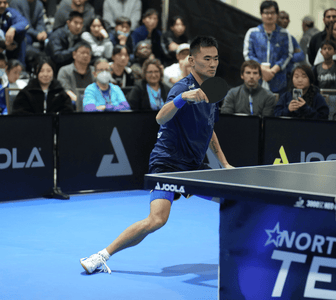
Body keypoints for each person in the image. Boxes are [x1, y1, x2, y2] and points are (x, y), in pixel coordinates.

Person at [79, 36, 233, 274]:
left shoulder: (212, 91)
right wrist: (183, 98)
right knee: (157, 220)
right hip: (168, 163)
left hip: (193, 166)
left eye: (216, 58)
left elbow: (209, 128)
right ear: (192, 60)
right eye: (207, 59)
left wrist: (224, 163)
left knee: (233, 199)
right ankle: (101, 256)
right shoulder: (182, 87)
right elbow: (160, 117)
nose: (213, 64)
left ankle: (241, 256)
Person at [243, 1, 293, 95]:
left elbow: (287, 55)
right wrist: (262, 69)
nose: (269, 16)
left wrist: (272, 71)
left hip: (278, 82)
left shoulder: (284, 34)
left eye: (272, 13)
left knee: (277, 108)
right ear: (261, 14)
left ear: (277, 15)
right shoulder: (252, 33)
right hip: (256, 79)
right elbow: (248, 54)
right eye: (266, 13)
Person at [0, 0, 29, 65]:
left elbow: (24, 23)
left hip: (8, 44)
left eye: (4, 2)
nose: (2, 5)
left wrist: (13, 28)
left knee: (22, 37)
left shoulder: (9, 12)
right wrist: (3, 44)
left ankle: (20, 67)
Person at [57, 41, 94, 106]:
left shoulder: (94, 71)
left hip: (93, 106)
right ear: (74, 54)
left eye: (88, 53)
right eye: (82, 53)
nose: (85, 55)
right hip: (71, 106)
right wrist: (80, 102)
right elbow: (65, 90)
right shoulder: (64, 70)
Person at [276, 10, 306, 87]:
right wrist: (291, 53)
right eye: (282, 18)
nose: (285, 21)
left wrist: (288, 57)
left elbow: (301, 55)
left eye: (287, 18)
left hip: (287, 75)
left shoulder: (290, 38)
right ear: (276, 19)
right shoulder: (271, 36)